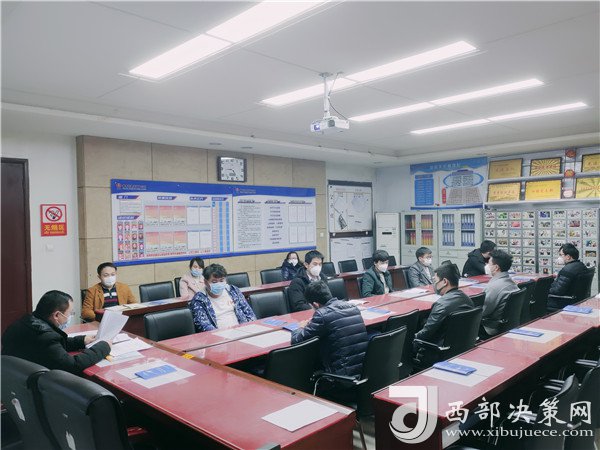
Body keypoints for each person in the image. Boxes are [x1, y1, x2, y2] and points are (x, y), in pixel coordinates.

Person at [2, 290, 111, 374]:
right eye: (70, 313)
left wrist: (82, 340)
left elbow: (55, 345)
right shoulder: (46, 337)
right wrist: (103, 347)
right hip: (32, 384)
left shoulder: (25, 322)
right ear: (57, 315)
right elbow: (72, 365)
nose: (70, 317)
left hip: (12, 377)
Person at [291, 281, 368, 377]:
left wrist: (300, 327)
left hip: (342, 374)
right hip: (365, 370)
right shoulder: (353, 307)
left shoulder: (322, 315)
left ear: (315, 304)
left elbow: (297, 340)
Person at [414, 264, 474, 349]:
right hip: (463, 346)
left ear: (445, 282)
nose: (434, 284)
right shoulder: (468, 300)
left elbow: (426, 334)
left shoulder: (441, 305)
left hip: (439, 350)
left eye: (435, 281)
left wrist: (412, 337)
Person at [188, 263, 256, 332]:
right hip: (218, 335)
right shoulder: (199, 299)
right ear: (205, 282)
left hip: (243, 331)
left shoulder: (233, 291)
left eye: (221, 280)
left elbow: (249, 314)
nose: (219, 284)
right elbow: (204, 325)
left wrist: (250, 330)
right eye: (214, 282)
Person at [480, 250, 519, 338]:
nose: (487, 265)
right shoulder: (512, 283)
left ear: (496, 267)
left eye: (489, 263)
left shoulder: (493, 287)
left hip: (490, 328)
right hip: (508, 326)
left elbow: (483, 312)